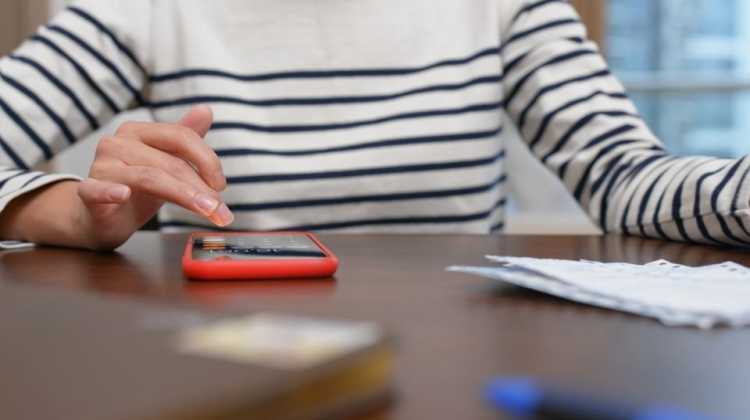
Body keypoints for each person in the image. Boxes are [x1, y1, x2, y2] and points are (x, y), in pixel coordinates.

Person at [0, 0, 747, 251]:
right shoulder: (142, 9)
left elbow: (627, 177)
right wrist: (67, 209)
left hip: (461, 369)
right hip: (226, 367)